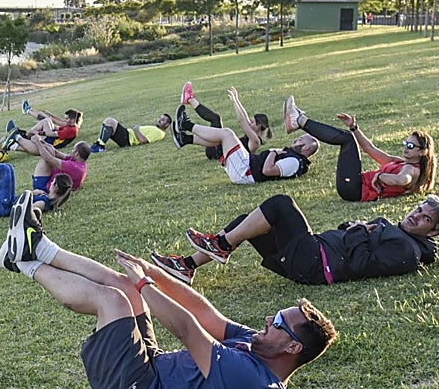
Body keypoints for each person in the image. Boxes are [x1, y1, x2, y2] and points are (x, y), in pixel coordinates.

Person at [0, 190, 338, 389]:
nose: (268, 321)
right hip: (150, 370)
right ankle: (38, 246)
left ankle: (24, 261)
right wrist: (153, 274)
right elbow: (204, 312)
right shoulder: (260, 348)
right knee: (125, 286)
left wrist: (147, 285)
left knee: (113, 300)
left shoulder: (252, 382)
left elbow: (189, 330)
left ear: (293, 348)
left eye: (278, 323)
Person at [149, 192, 439, 286]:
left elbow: (362, 264)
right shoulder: (398, 232)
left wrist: (359, 230)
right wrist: (355, 226)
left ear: (434, 232)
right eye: (418, 209)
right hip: (312, 256)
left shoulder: (407, 251)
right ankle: (187, 266)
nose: (416, 216)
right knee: (246, 224)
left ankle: (221, 246)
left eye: (425, 219)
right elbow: (347, 229)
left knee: (280, 204)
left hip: (316, 264)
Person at [285, 96, 435, 202]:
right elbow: (369, 148)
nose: (405, 148)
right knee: (348, 137)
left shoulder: (412, 170)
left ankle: (299, 120)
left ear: (422, 152)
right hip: (354, 185)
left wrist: (380, 176)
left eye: (410, 146)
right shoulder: (400, 162)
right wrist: (354, 127)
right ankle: (298, 120)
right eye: (405, 143)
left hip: (354, 189)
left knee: (346, 140)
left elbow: (402, 180)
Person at [176, 115, 317, 186]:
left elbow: (267, 171)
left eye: (300, 139)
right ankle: (184, 139)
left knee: (227, 133)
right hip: (246, 165)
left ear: (306, 148)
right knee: (223, 136)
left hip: (245, 171)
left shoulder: (295, 162)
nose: (296, 139)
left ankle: (186, 125)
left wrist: (273, 152)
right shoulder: (294, 158)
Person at [176, 83, 272, 158]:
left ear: (259, 125)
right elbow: (244, 116)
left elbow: (242, 121)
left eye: (252, 122)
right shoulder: (252, 134)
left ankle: (185, 121)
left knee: (216, 120)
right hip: (217, 148)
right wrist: (237, 100)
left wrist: (234, 101)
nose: (250, 123)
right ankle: (184, 139)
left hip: (217, 152)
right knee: (218, 125)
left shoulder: (255, 141)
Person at [89, 114, 172, 153]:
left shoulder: (159, 133)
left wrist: (136, 129)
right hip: (128, 135)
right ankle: (99, 145)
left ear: (167, 125)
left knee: (110, 121)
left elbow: (144, 141)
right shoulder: (156, 129)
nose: (159, 120)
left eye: (163, 120)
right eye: (160, 118)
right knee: (108, 123)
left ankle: (100, 147)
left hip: (128, 139)